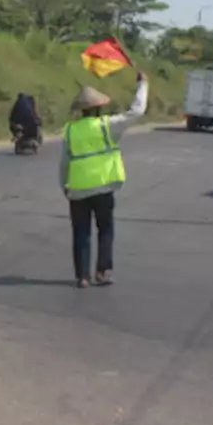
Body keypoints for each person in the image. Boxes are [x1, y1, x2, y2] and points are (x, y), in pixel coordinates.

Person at [60, 72, 148, 288]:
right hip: (103, 187)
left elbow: (64, 163)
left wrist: (65, 186)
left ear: (81, 110)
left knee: (81, 232)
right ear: (99, 107)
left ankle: (82, 276)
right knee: (105, 229)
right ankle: (103, 271)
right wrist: (143, 85)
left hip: (77, 189)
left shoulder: (70, 130)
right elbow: (137, 111)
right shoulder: (108, 125)